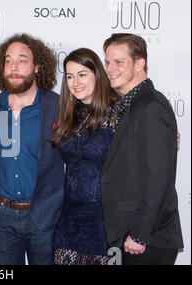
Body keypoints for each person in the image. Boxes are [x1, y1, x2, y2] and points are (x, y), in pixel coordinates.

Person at [0, 33, 64, 265]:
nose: (13, 67)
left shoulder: (57, 106)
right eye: (8, 60)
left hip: (42, 215)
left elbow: (89, 141)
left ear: (37, 67)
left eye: (22, 60)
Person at [101, 33, 183, 265]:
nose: (110, 68)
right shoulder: (134, 103)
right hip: (133, 234)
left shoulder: (151, 106)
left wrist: (139, 234)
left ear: (139, 64)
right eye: (108, 62)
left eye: (119, 62)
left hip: (145, 240)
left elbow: (158, 178)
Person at [49, 48, 121, 265]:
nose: (75, 82)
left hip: (105, 221)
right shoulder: (68, 113)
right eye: (69, 76)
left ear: (97, 75)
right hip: (69, 219)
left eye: (82, 74)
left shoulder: (118, 112)